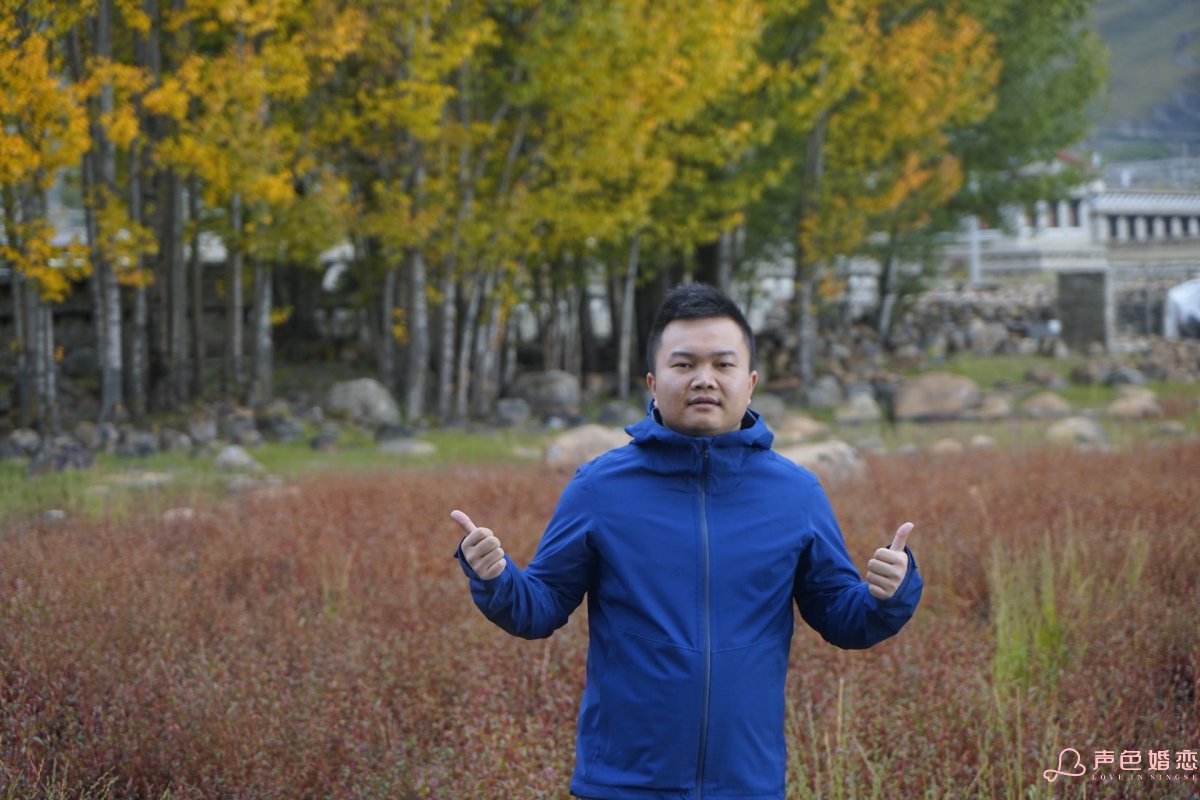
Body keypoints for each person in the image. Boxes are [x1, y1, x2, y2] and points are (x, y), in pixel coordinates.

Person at [451, 283, 922, 800]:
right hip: (623, 783)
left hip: (746, 783)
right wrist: (496, 578)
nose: (704, 379)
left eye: (723, 364)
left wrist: (888, 594)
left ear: (750, 382)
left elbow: (842, 618)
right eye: (684, 364)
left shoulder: (795, 494)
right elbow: (539, 608)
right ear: (653, 382)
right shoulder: (599, 488)